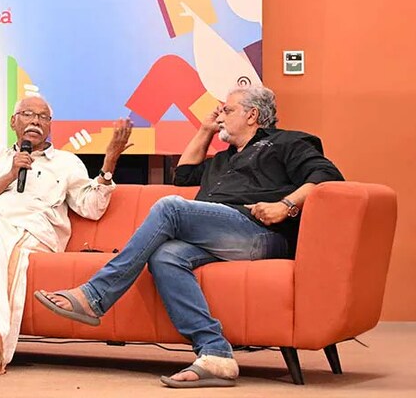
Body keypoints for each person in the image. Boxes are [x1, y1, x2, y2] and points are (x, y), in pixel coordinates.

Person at [34, 85, 343, 388]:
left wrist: (286, 206)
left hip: (260, 232)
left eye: (227, 110)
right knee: (164, 256)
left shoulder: (286, 143)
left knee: (171, 207)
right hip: (220, 236)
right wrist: (206, 130)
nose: (220, 115)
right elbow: (183, 176)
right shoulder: (223, 160)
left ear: (252, 115)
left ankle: (95, 296)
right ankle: (215, 354)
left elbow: (328, 176)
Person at [0, 96, 133, 374]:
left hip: (35, 231)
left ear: (50, 126)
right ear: (14, 122)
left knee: (3, 255)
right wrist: (11, 173)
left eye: (43, 117)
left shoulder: (67, 162)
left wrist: (109, 162)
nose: (35, 121)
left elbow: (92, 207)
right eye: (27, 114)